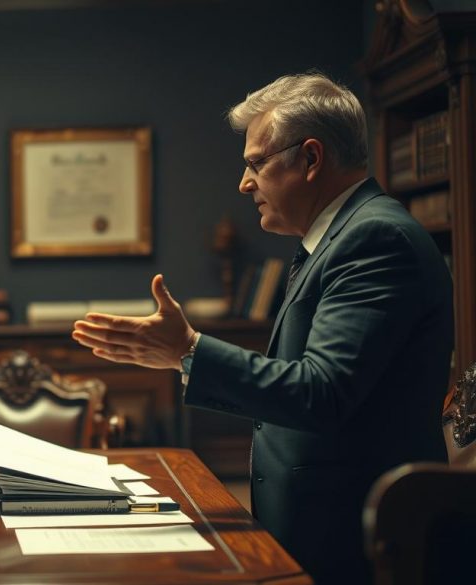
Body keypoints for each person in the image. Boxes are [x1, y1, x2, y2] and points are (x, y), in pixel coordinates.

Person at [72, 72, 452, 584]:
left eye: (256, 163)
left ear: (311, 159)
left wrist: (188, 350)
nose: (244, 183)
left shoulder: (374, 238)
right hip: (325, 527)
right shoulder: (339, 236)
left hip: (355, 541)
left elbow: (322, 392)